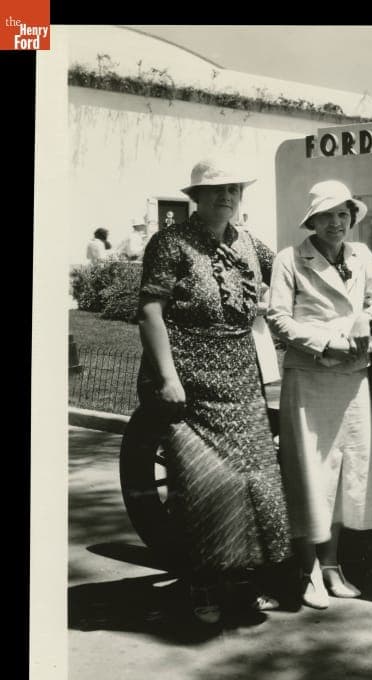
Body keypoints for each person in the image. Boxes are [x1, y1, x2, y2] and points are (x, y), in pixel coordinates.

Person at [136, 157, 293, 627]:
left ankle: (242, 582)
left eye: (233, 190)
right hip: (186, 383)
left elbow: (291, 273)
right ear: (196, 198)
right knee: (204, 486)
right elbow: (149, 311)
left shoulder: (248, 242)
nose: (226, 197)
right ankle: (200, 583)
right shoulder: (170, 243)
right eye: (215, 190)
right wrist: (166, 378)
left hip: (240, 378)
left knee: (254, 482)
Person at [266, 180, 372, 610]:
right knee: (310, 473)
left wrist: (366, 318)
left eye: (344, 214)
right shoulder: (290, 259)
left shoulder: (361, 256)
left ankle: (332, 566)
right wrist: (324, 343)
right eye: (328, 215)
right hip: (310, 375)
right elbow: (278, 318)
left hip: (353, 377)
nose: (337, 222)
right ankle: (306, 572)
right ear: (313, 220)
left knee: (344, 472)